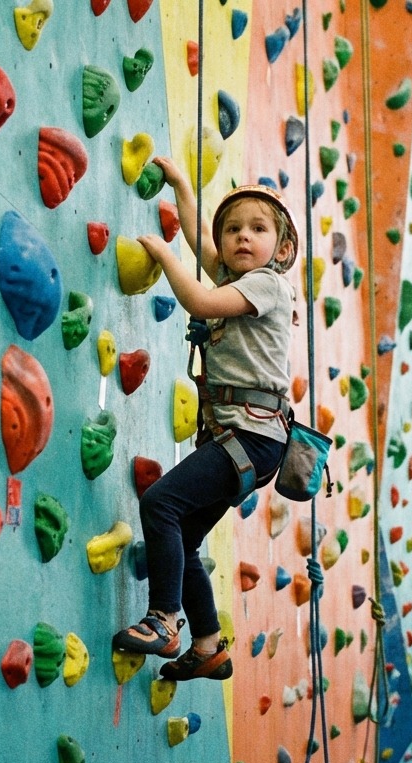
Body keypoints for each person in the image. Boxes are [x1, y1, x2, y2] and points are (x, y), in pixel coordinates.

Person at [111, 155, 297, 682]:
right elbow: (203, 243)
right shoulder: (242, 275)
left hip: (251, 437)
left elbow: (196, 296)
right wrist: (183, 187)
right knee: (182, 536)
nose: (242, 238)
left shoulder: (267, 284)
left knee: (160, 504)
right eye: (233, 229)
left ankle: (165, 619)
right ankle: (209, 644)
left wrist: (162, 254)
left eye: (257, 230)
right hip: (251, 440)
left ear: (280, 250)